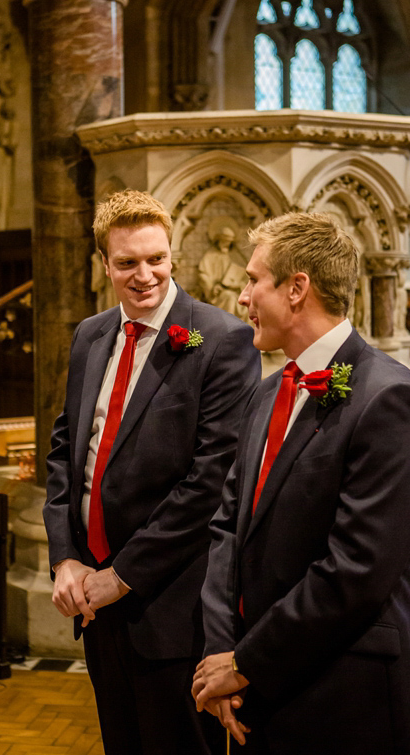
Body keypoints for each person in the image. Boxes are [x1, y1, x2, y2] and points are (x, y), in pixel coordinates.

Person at [192, 212, 410, 754]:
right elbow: (226, 528)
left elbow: (356, 571)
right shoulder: (266, 392)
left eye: (254, 280)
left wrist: (247, 661)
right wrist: (222, 657)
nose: (242, 297)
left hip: (348, 698)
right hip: (260, 692)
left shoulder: (388, 398)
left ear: (296, 288)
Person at [44, 189, 259, 755]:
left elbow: (210, 480)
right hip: (94, 600)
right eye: (127, 263)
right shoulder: (91, 335)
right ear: (105, 265)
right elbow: (67, 449)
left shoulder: (221, 340)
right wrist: (65, 556)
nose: (145, 275)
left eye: (156, 259)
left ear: (172, 255)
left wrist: (122, 575)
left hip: (169, 604)